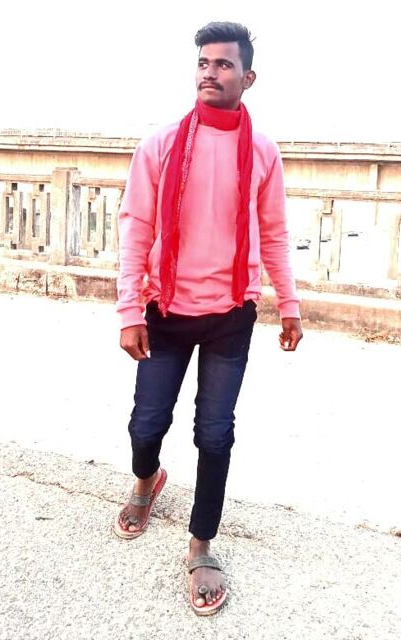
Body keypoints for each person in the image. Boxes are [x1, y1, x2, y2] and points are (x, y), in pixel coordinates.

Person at [114, 21, 303, 616]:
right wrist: (128, 309)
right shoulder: (161, 145)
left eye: (223, 64)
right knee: (146, 425)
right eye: (203, 62)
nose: (209, 72)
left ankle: (201, 545)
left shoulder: (263, 152)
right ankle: (147, 481)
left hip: (229, 316)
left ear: (248, 77)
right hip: (165, 311)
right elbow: (136, 227)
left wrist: (289, 304)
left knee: (215, 433)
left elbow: (274, 233)